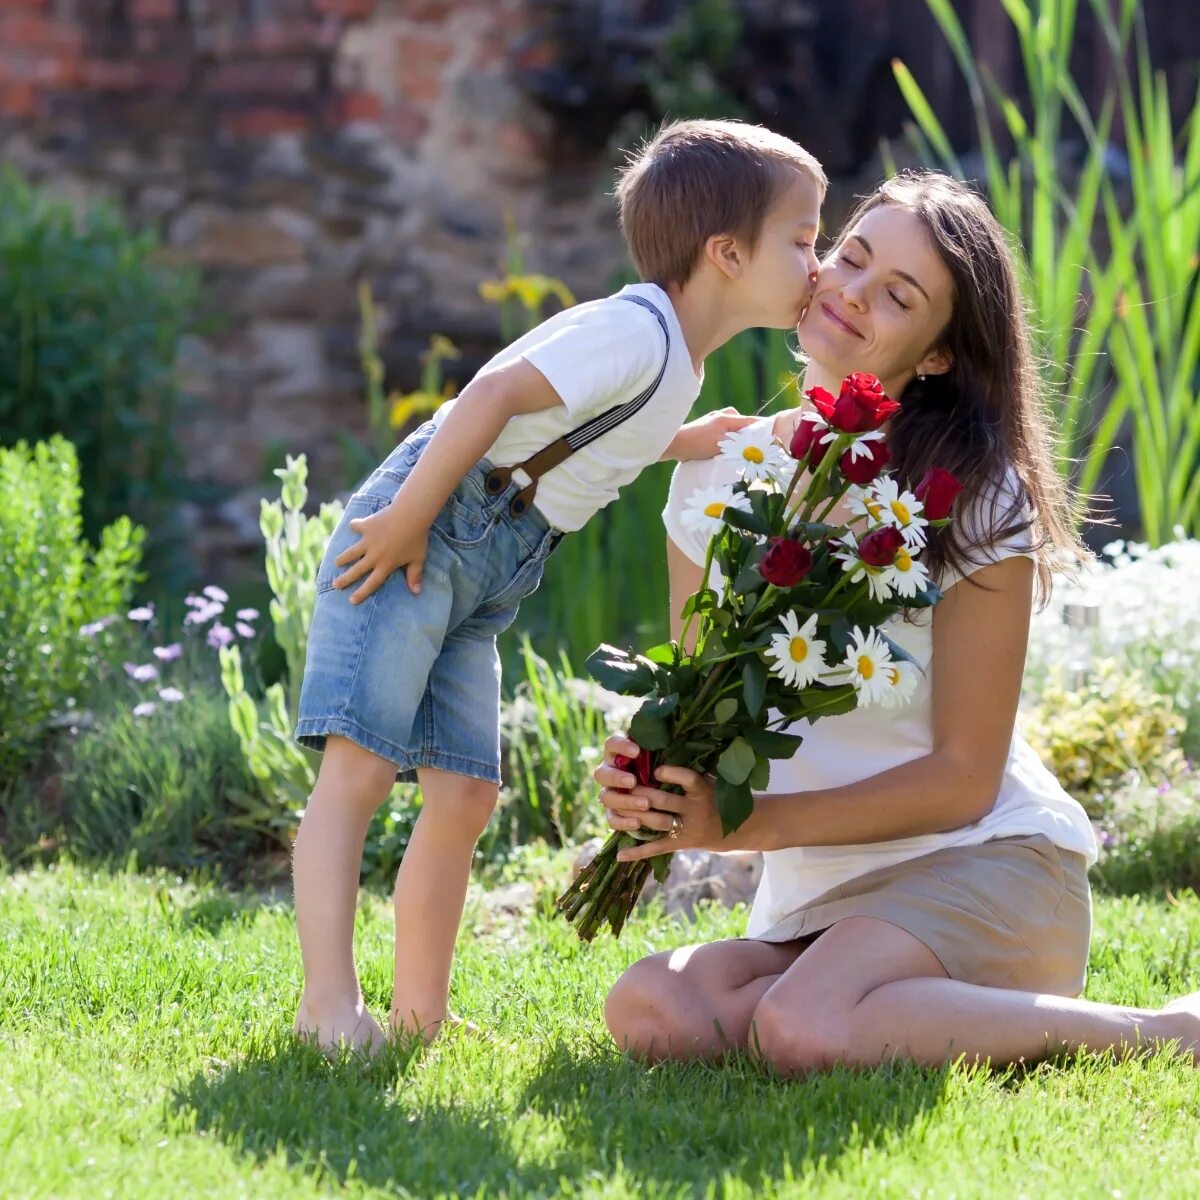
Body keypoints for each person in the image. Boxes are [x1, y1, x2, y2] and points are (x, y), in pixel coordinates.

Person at [593, 171, 1200, 1072]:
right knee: (652, 1006)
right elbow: (706, 703)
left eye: (898, 296)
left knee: (803, 1030)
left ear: (939, 355)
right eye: (850, 257)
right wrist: (654, 778)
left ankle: (1168, 1033)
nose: (850, 293)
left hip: (987, 862)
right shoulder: (718, 474)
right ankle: (899, 1008)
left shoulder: (970, 498)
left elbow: (963, 779)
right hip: (832, 897)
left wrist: (740, 826)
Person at [290, 119, 828, 1052]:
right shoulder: (633, 328)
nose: (818, 264)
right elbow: (493, 395)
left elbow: (595, 425)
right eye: (806, 239)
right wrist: (415, 515)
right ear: (728, 254)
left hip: (485, 568)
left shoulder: (675, 361)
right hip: (425, 528)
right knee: (360, 769)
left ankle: (421, 1015)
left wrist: (689, 439)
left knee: (463, 795)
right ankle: (326, 1009)